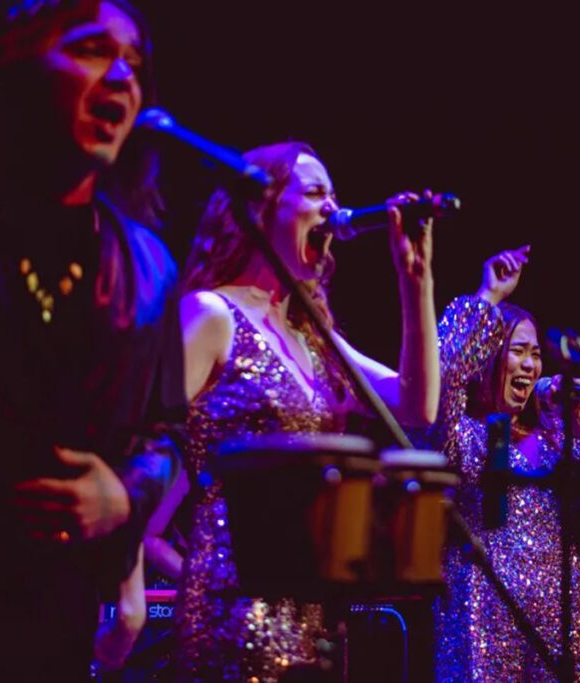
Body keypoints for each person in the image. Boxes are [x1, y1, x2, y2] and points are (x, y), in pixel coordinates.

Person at [0, 1, 184, 680]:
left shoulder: (149, 269)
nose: (123, 78)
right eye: (93, 49)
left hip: (50, 627)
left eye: (135, 64)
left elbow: (163, 435)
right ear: (17, 68)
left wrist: (125, 496)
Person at [174, 141, 440, 681]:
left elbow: (418, 405)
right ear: (261, 206)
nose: (332, 208)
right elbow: (143, 446)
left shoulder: (315, 337)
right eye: (315, 192)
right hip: (234, 603)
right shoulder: (211, 315)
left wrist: (417, 285)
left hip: (316, 614)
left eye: (334, 195)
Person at [427, 246, 580, 682]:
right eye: (517, 351)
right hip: (481, 617)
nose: (529, 365)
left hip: (561, 623)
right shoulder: (461, 435)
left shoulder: (555, 440)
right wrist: (487, 296)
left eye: (535, 354)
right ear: (486, 357)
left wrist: (578, 421)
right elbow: (441, 377)